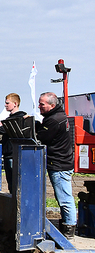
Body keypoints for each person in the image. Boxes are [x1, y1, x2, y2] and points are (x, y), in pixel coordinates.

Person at [35, 92, 76, 239]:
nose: (39, 106)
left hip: (59, 164)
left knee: (64, 198)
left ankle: (69, 230)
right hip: (61, 162)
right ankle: (68, 225)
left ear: (52, 105)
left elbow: (41, 137)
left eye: (42, 104)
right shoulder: (59, 116)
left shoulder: (53, 120)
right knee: (64, 197)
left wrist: (35, 126)